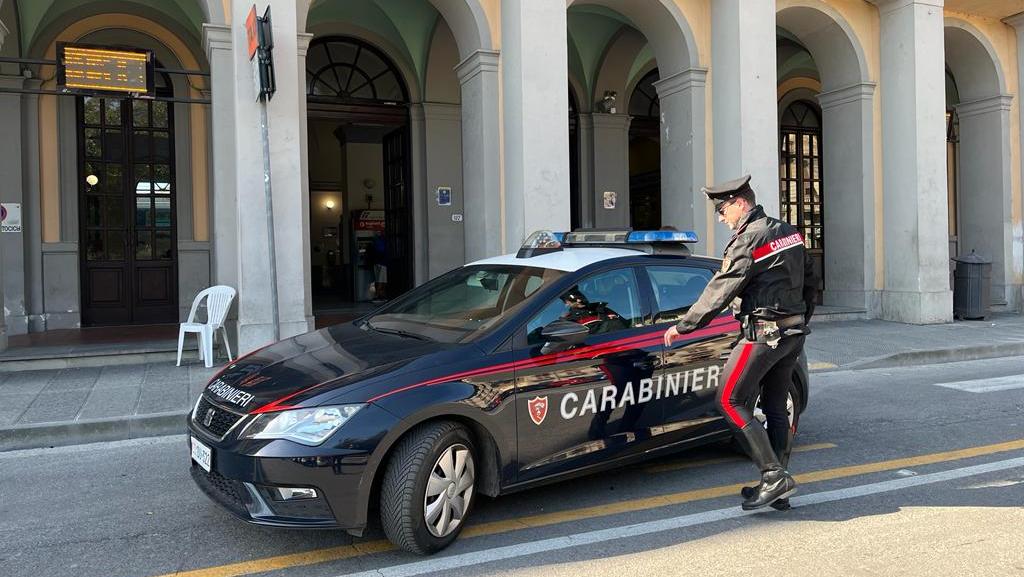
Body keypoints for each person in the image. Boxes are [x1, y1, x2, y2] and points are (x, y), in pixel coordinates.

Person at [663, 174, 816, 510]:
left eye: (722, 209)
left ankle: (773, 475)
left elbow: (721, 289)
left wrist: (684, 326)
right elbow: (811, 281)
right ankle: (779, 485)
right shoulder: (788, 232)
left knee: (730, 401)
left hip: (763, 334)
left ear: (740, 203)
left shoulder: (750, 239)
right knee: (776, 408)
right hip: (792, 333)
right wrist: (802, 318)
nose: (721, 217)